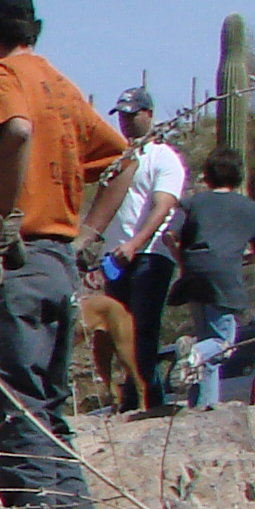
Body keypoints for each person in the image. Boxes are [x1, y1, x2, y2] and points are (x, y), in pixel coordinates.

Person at [0, 0, 128, 509]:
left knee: (14, 407)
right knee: (51, 409)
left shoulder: (1, 75)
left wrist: (6, 217)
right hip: (58, 258)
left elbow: (17, 131)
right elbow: (122, 160)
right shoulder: (59, 82)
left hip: (16, 257)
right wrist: (90, 234)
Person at [77, 89, 184, 415]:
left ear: (148, 114)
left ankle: (148, 400)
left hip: (149, 255)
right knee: (114, 334)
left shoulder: (163, 157)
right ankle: (126, 400)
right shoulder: (118, 160)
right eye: (122, 115)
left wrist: (136, 243)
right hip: (115, 257)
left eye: (132, 114)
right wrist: (96, 259)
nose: (126, 121)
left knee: (141, 329)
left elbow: (163, 206)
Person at [171, 147, 255, 406]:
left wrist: (183, 260)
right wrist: (246, 258)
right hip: (224, 278)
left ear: (207, 175)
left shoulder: (192, 203)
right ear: (239, 175)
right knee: (222, 343)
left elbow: (169, 235)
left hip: (193, 274)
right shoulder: (250, 209)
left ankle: (203, 405)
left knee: (208, 344)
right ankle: (194, 351)